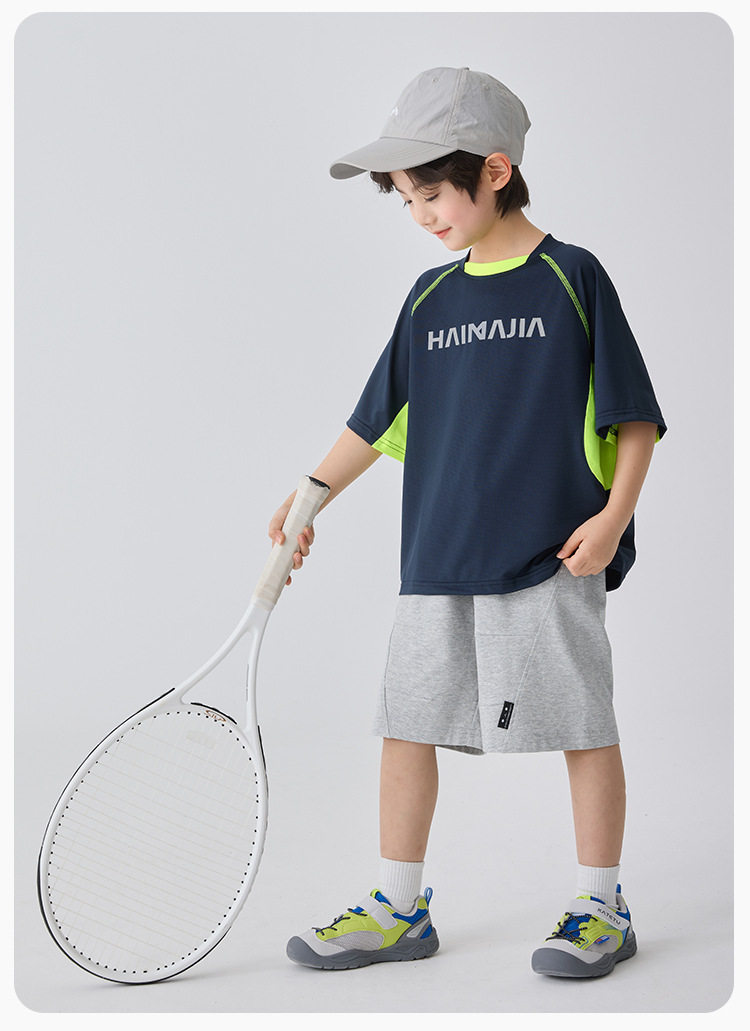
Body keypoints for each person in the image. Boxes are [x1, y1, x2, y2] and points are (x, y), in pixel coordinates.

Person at [269, 67, 666, 978]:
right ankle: (399, 907)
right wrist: (308, 494)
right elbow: (374, 420)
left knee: (583, 725)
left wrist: (614, 518)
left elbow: (634, 416)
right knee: (405, 726)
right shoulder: (428, 299)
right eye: (406, 200)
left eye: (433, 193)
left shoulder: (572, 277)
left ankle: (600, 904)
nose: (421, 215)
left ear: (494, 170)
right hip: (437, 560)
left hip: (550, 556)